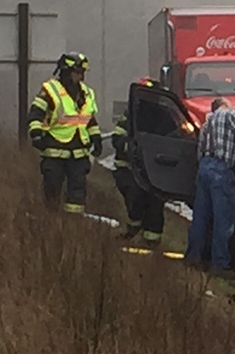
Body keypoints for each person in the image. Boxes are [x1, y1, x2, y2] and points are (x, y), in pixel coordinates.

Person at [27, 52, 102, 213]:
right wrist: (36, 134)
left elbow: (89, 119)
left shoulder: (86, 93)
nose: (81, 77)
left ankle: (73, 227)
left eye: (82, 73)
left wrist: (96, 137)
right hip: (54, 151)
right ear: (66, 72)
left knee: (78, 193)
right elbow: (35, 114)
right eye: (77, 73)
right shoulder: (50, 91)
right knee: (52, 191)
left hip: (79, 153)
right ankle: (51, 225)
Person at [186, 95, 235, 274]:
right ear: (224, 105)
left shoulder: (208, 122)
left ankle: (193, 257)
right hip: (221, 170)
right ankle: (220, 264)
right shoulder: (229, 115)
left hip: (205, 168)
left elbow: (200, 150)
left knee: (200, 217)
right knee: (223, 221)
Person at [110, 84, 165, 244]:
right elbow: (117, 138)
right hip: (129, 169)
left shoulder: (164, 116)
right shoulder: (131, 115)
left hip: (155, 171)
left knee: (155, 207)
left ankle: (151, 242)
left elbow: (174, 137)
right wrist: (132, 149)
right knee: (135, 199)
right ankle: (133, 228)